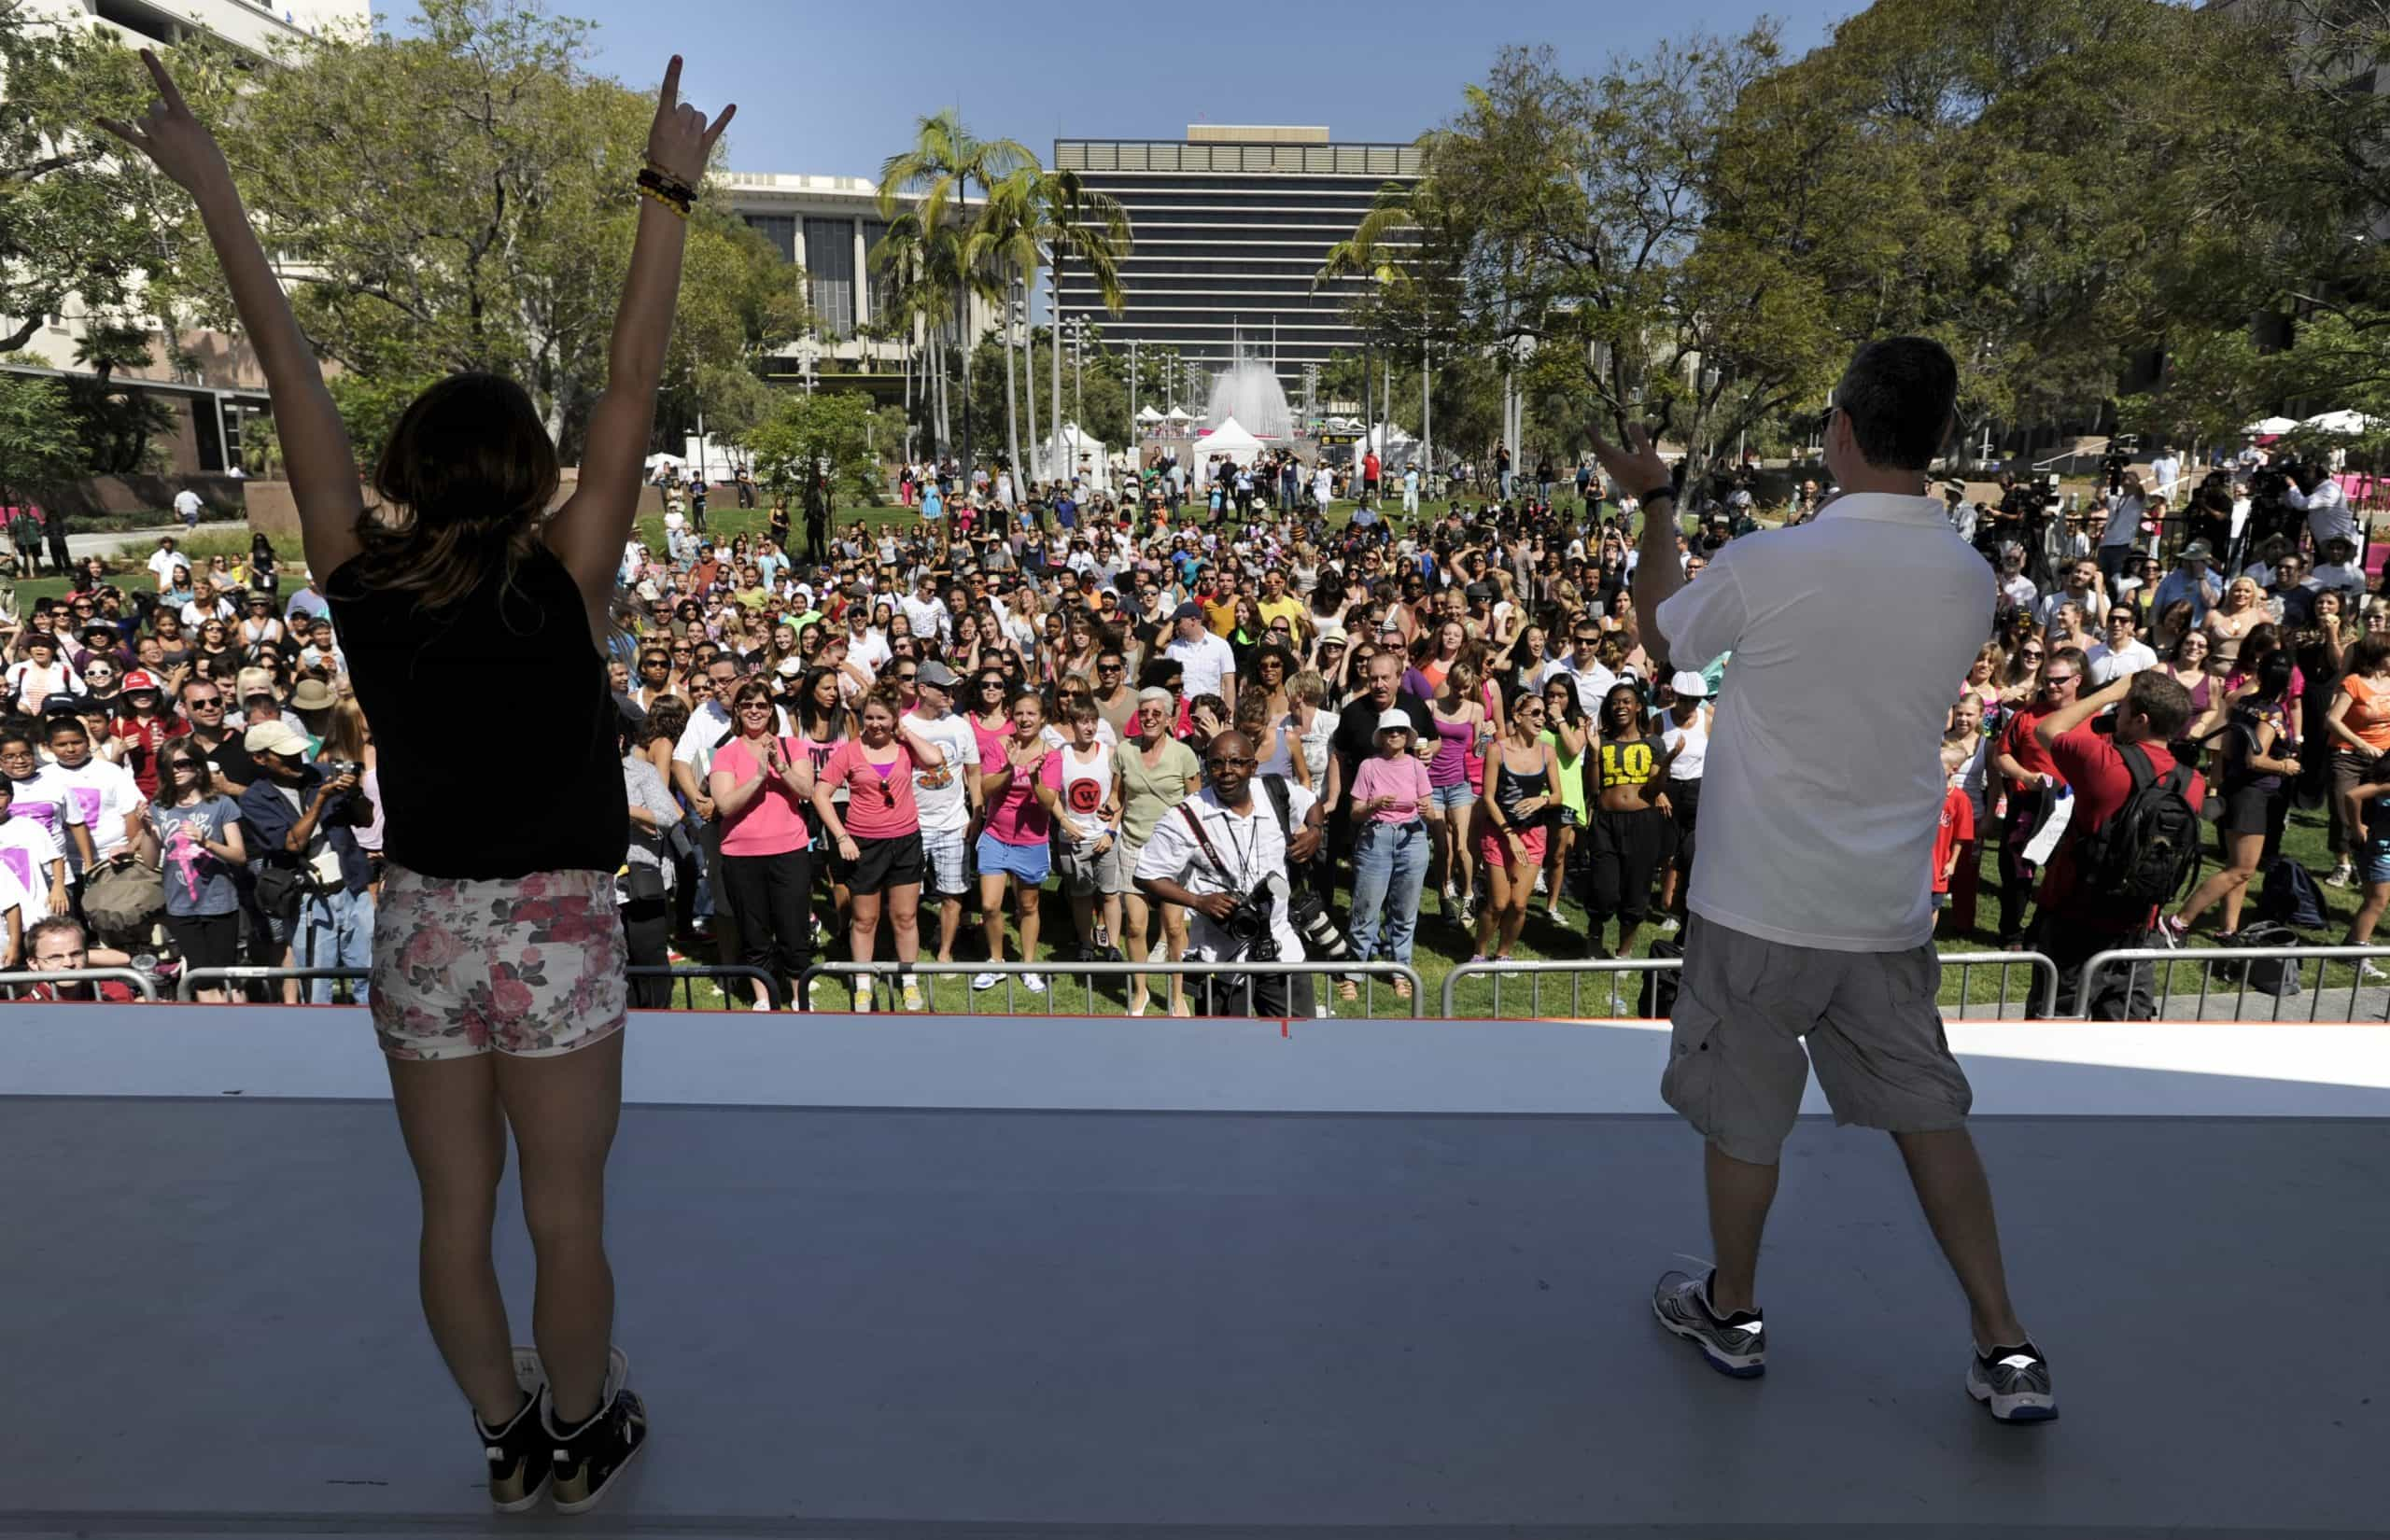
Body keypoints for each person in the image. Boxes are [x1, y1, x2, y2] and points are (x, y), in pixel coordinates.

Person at [104, 49, 728, 1505]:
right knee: (565, 1214)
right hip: (560, 922)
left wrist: (215, 189)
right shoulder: (570, 575)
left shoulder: (357, 577)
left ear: (403, 464)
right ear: (527, 475)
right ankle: (585, 1429)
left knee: (456, 1212)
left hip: (423, 925)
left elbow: (284, 366)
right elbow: (633, 381)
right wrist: (665, 189)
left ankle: (505, 1437)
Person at [1606, 336, 2054, 1421]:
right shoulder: (1967, 576)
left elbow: (1661, 639)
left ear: (1840, 430)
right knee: (1928, 1120)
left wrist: (1657, 501)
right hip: (1884, 907)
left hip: (1756, 900)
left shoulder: (1769, 561)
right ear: (1942, 437)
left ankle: (1736, 1311)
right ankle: (2006, 1347)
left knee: (1744, 1124)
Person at [2029, 670, 2203, 1018]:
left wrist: (2108, 691)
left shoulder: (2101, 761)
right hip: (2139, 925)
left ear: (2140, 719)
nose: (2115, 715)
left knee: (2054, 1033)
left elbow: (2046, 730)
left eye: (2121, 709)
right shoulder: (2192, 782)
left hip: (2074, 918)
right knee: (2121, 1041)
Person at [1132, 729, 1319, 1017]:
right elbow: (1145, 875)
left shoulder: (1276, 791)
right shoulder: (1185, 816)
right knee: (1223, 1053)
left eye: (1237, 762)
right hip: (1220, 961)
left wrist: (1315, 832)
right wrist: (1197, 902)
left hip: (1283, 951)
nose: (1226, 771)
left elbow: (1311, 804)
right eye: (1216, 763)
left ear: (1253, 767)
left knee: (1298, 1042)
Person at [807, 685, 943, 1013]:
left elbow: (935, 760)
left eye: (882, 717)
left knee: (905, 917)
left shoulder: (906, 747)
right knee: (864, 919)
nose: (875, 724)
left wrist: (906, 733)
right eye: (869, 717)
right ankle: (864, 985)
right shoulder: (850, 752)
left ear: (895, 718)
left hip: (905, 842)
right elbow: (820, 795)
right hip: (864, 845)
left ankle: (909, 982)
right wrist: (841, 837)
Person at [2165, 652, 2298, 944]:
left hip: (2233, 789)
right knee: (2241, 869)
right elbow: (2256, 759)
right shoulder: (2272, 713)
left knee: (2238, 868)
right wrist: (2285, 765)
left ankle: (2228, 928)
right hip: (2252, 795)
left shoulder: (2243, 703)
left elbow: (2225, 750)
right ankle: (2178, 921)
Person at [704, 679, 816, 1011]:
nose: (755, 711)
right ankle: (764, 998)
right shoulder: (726, 753)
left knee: (794, 930)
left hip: (789, 850)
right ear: (737, 710)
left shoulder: (792, 747)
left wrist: (779, 767)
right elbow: (724, 805)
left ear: (771, 711)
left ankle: (800, 997)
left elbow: (806, 791)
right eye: (747, 705)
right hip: (742, 855)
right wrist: (756, 777)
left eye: (761, 706)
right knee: (754, 932)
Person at [1116, 686, 1202, 1017]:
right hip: (1132, 845)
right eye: (1144, 712)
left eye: (1156, 713)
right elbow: (1117, 795)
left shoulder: (1183, 754)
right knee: (1136, 926)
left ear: (1168, 718)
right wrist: (1107, 813)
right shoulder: (1124, 751)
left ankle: (1178, 995)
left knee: (1175, 927)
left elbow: (1195, 804)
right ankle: (1140, 992)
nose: (1149, 718)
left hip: (1171, 852)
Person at [1343, 708, 1439, 998]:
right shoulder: (1369, 767)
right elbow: (1355, 814)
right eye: (1389, 731)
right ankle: (1353, 973)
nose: (1394, 734)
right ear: (1381, 736)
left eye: (1399, 730)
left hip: (1412, 838)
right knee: (1365, 909)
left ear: (1408, 736)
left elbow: (1431, 812)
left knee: (1405, 912)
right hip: (1376, 838)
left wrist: (1427, 812)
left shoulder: (1416, 767)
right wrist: (1374, 805)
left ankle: (1401, 971)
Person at [1473, 680, 1566, 966]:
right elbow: (1488, 797)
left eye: (1543, 714)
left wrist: (1543, 801)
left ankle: (1504, 954)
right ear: (1518, 716)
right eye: (1535, 713)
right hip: (1500, 832)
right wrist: (1509, 834)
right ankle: (1480, 952)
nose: (1541, 719)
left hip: (1533, 833)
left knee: (1519, 903)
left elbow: (1559, 794)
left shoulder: (1547, 751)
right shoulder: (1497, 750)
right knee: (1499, 902)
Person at [900, 661, 982, 967]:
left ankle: (945, 953)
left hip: (953, 824)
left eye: (951, 687)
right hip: (912, 824)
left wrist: (976, 812)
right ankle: (906, 951)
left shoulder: (960, 725)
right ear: (923, 690)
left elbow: (973, 772)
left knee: (953, 893)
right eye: (943, 687)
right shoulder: (904, 726)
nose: (950, 692)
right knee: (908, 897)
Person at [973, 688, 1053, 994]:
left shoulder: (1051, 754)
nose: (1024, 719)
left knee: (1028, 904)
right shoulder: (998, 747)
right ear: (1011, 716)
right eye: (1019, 713)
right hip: (995, 836)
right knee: (990, 905)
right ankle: (997, 961)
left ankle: (1028, 965)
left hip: (1032, 840)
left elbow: (1048, 801)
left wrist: (1034, 778)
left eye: (1031, 713)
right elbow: (987, 788)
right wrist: (1009, 767)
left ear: (1042, 718)